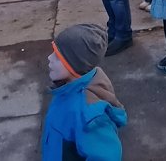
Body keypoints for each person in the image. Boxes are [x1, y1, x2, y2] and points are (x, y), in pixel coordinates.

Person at [42, 23, 127, 160]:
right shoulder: (66, 88)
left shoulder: (89, 116)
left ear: (75, 64)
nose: (49, 58)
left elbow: (107, 156)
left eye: (57, 56)